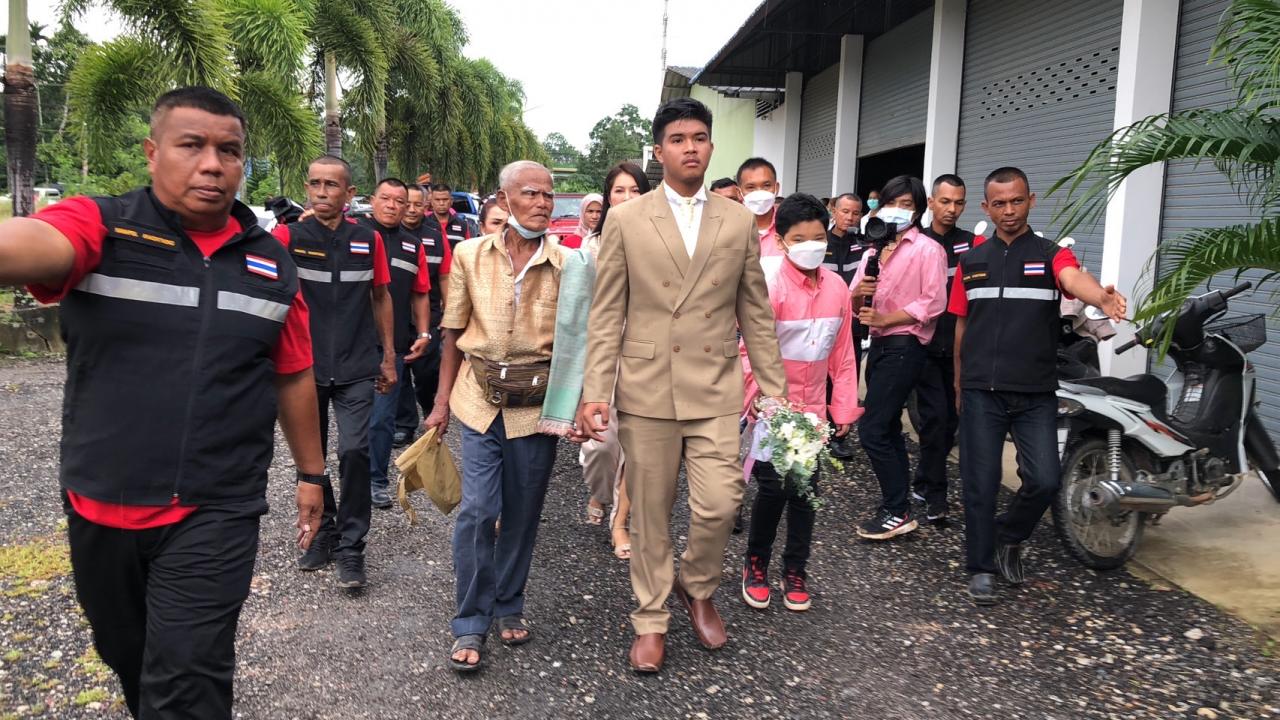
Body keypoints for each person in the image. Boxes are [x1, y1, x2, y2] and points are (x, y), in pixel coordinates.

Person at [0, 86, 325, 718]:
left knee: (187, 678)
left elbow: (292, 374)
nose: (212, 164)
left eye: (229, 151)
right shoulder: (102, 226)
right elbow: (33, 244)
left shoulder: (270, 263)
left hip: (217, 505)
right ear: (153, 153)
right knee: (129, 656)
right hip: (102, 498)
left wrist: (312, 474)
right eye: (192, 146)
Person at [576, 97, 787, 674]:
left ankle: (697, 585)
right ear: (659, 151)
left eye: (699, 137)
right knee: (650, 511)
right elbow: (607, 312)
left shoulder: (736, 219)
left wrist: (775, 389)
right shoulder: (626, 219)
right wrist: (595, 392)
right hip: (647, 387)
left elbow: (755, 310)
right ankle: (650, 618)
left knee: (721, 503)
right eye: (677, 139)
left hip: (715, 385)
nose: (690, 147)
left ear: (711, 146)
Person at [950, 167, 1126, 605]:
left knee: (1045, 480)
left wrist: (1100, 297)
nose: (1009, 211)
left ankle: (1010, 536)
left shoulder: (1051, 255)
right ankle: (981, 567)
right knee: (980, 481)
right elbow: (961, 327)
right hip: (981, 390)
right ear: (986, 208)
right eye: (999, 203)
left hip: (1034, 392)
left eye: (1017, 201)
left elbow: (1073, 280)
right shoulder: (970, 262)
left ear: (1031, 200)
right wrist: (958, 381)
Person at [425, 160, 565, 673]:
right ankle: (470, 620)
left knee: (522, 513)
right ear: (505, 200)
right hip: (477, 399)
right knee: (479, 511)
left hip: (535, 407)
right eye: (531, 193)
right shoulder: (469, 254)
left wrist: (576, 405)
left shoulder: (569, 264)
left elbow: (578, 342)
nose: (543, 203)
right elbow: (453, 332)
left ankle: (509, 603)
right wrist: (441, 403)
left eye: (548, 194)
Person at [274, 155, 397, 588]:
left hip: (357, 365)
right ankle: (323, 531)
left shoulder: (367, 239)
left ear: (349, 193)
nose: (322, 192)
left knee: (355, 450)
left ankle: (352, 547)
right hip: (303, 368)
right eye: (315, 183)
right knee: (312, 456)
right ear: (306, 188)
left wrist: (388, 356)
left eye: (331, 185)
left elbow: (381, 297)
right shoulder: (288, 236)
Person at [740, 194, 860, 613]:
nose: (811, 246)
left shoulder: (837, 289)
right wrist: (757, 398)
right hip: (774, 406)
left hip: (813, 411)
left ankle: (796, 569)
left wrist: (843, 407)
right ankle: (756, 562)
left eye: (818, 238)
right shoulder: (769, 286)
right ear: (781, 241)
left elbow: (843, 354)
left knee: (805, 488)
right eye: (800, 239)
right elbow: (748, 349)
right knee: (773, 487)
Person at [849, 175, 948, 541]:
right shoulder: (872, 251)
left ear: (919, 211)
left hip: (905, 345)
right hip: (878, 346)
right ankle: (897, 504)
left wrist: (887, 319)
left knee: (872, 429)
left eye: (906, 205)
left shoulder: (927, 249)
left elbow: (933, 302)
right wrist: (860, 294)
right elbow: (852, 301)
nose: (898, 211)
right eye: (892, 203)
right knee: (888, 427)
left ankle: (897, 509)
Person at [577, 162, 651, 559]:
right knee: (601, 446)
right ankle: (600, 493)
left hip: (648, 356)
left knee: (639, 446)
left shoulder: (662, 242)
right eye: (619, 191)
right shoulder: (591, 247)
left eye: (635, 190)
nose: (627, 198)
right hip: (603, 355)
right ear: (608, 197)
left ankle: (621, 521)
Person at [361, 179, 433, 510]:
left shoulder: (412, 245)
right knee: (352, 418)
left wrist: (424, 333)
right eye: (385, 199)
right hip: (351, 344)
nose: (392, 206)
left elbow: (421, 292)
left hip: (393, 346)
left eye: (399, 201)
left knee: (381, 418)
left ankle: (376, 480)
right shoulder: (355, 234)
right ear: (372, 200)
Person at [909, 174, 976, 522]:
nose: (952, 209)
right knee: (935, 419)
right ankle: (936, 494)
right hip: (924, 346)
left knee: (950, 423)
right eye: (945, 201)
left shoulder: (973, 244)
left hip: (961, 349)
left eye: (959, 202)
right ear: (932, 202)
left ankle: (923, 479)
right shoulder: (916, 242)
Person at [396, 183, 454, 448]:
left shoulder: (435, 235)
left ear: (425, 205)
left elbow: (445, 275)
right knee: (399, 372)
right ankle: (404, 424)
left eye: (417, 204)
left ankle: (432, 409)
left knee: (427, 372)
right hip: (396, 316)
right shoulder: (383, 234)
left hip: (429, 315)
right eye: (406, 203)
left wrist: (449, 312)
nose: (411, 209)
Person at [823, 192, 867, 460]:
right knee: (821, 379)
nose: (850, 217)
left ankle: (839, 435)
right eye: (845, 211)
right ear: (833, 211)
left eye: (855, 213)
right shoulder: (820, 242)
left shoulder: (865, 246)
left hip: (853, 325)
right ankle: (819, 429)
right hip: (823, 323)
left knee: (846, 378)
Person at [737, 157, 783, 257]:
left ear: (776, 188)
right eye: (750, 187)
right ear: (739, 193)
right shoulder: (729, 228)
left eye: (766, 185)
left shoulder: (791, 224)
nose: (759, 192)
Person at [424, 182, 471, 250]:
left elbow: (467, 250)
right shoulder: (423, 224)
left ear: (451, 201)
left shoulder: (463, 225)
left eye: (445, 199)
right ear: (431, 202)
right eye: (437, 200)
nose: (441, 203)